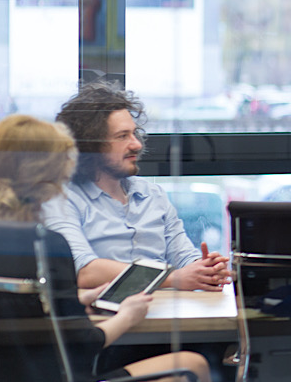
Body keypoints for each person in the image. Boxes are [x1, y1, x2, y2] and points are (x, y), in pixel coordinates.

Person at [0, 114, 216, 382]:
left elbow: (12, 314)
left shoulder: (0, 236)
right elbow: (80, 344)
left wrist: (76, 299)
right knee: (194, 368)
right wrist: (126, 315)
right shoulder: (45, 245)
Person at [41, 81, 230, 290]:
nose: (137, 144)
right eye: (122, 136)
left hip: (165, 310)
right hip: (106, 315)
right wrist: (172, 279)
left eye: (134, 133)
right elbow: (84, 271)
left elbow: (183, 256)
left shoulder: (152, 194)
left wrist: (205, 269)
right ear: (90, 145)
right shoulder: (62, 199)